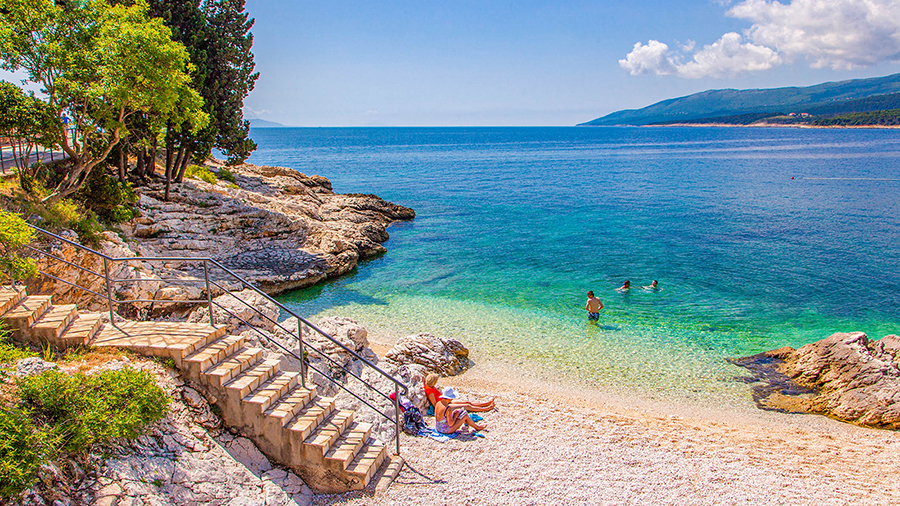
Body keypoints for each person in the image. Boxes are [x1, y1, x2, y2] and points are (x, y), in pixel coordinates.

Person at [424, 373, 495, 412]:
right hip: (444, 405)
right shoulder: (430, 391)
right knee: (467, 406)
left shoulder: (432, 386)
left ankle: (485, 404)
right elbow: (435, 404)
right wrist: (445, 409)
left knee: (467, 402)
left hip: (445, 401)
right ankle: (485, 409)